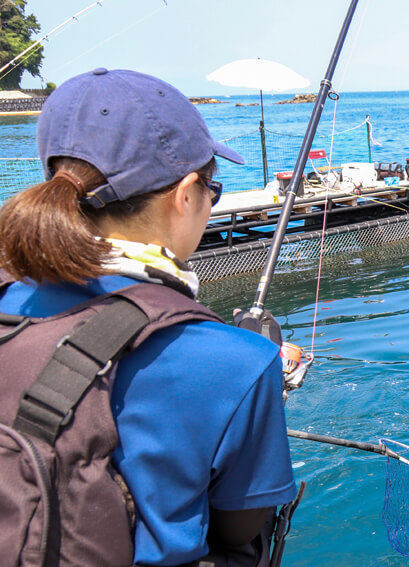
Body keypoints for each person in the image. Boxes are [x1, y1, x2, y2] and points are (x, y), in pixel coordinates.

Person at [0, 69, 297, 566]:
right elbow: (240, 526)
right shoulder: (239, 361)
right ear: (186, 195)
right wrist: (254, 368)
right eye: (213, 188)